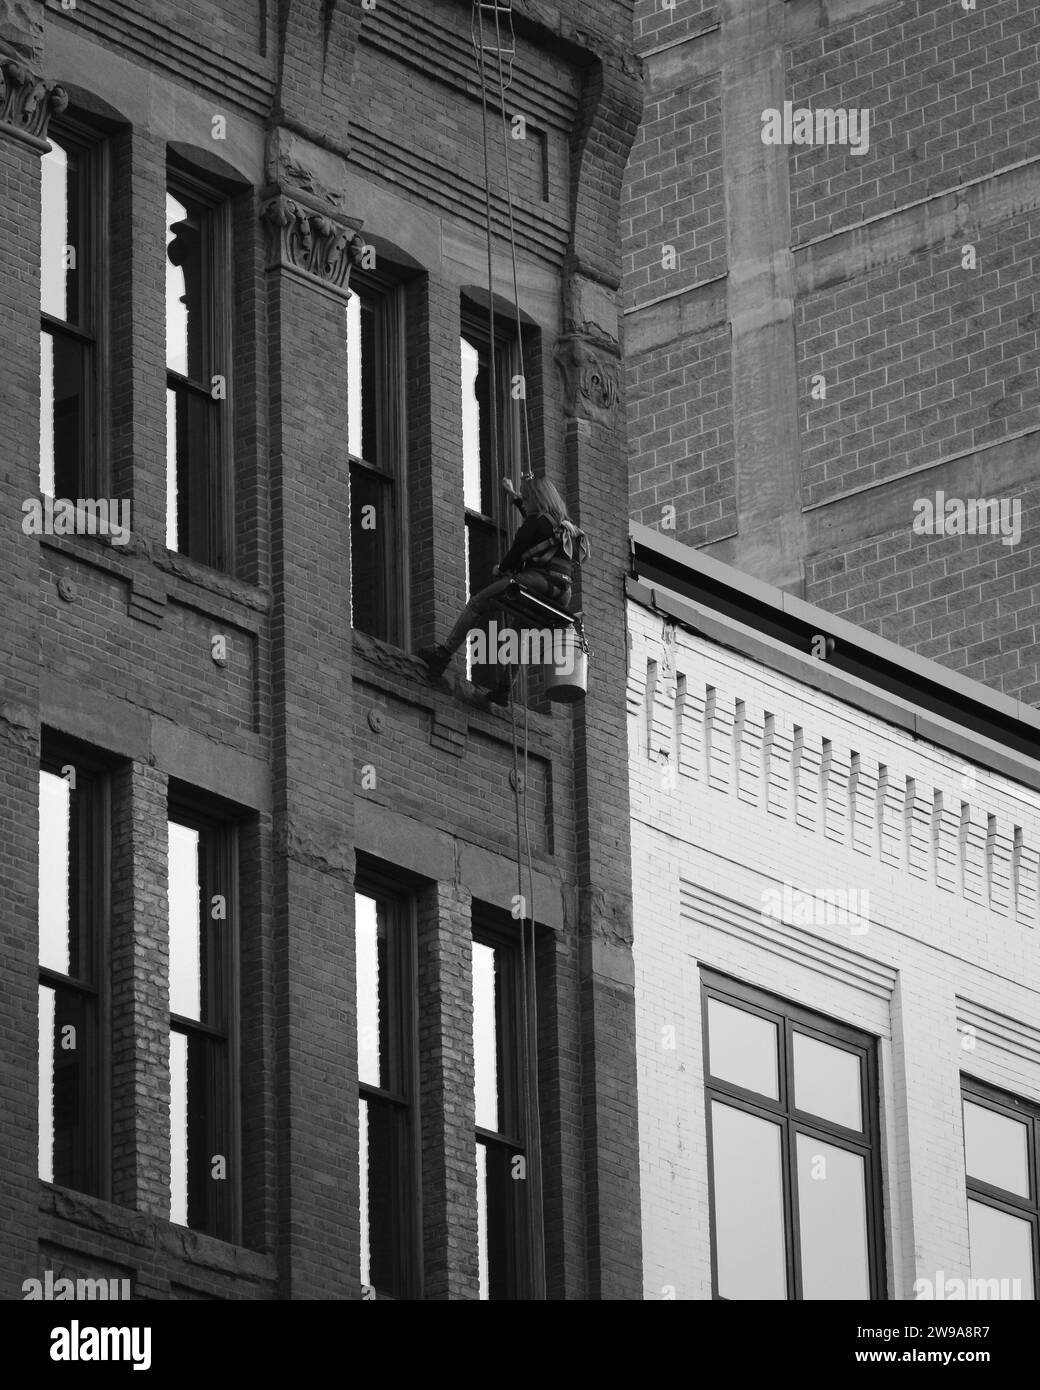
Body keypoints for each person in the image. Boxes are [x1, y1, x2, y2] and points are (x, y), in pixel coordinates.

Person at [417, 475, 589, 687]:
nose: (524, 503)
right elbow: (537, 526)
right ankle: (504, 690)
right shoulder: (565, 526)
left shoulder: (535, 523)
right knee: (521, 630)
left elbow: (516, 552)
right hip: (563, 593)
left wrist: (501, 569)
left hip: (538, 581)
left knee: (477, 604)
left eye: (526, 499)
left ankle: (442, 656)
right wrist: (514, 496)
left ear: (535, 499)